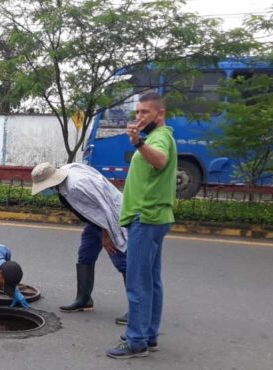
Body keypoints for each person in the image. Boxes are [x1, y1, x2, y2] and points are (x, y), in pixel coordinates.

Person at [106, 92, 177, 360]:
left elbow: (159, 160)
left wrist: (138, 142)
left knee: (137, 282)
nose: (139, 117)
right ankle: (148, 335)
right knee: (151, 281)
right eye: (136, 113)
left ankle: (137, 342)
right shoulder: (160, 137)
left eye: (144, 112)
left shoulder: (159, 137)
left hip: (145, 218)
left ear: (160, 114)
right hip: (153, 217)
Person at [30, 162, 128, 324]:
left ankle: (138, 310)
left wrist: (107, 234)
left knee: (122, 262)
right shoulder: (66, 177)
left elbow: (105, 207)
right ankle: (84, 299)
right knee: (85, 255)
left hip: (112, 219)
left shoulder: (76, 186)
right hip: (95, 222)